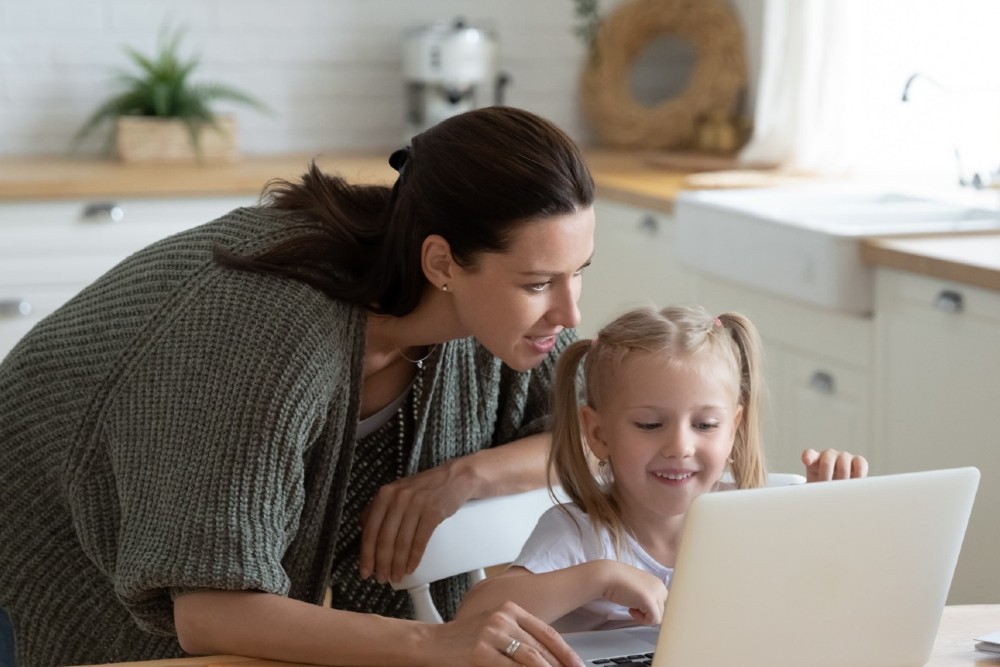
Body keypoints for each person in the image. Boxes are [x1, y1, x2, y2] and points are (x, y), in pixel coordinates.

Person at [0, 106, 595, 667]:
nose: (569, 312)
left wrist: (464, 477)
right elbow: (211, 611)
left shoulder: (501, 318)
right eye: (538, 284)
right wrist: (436, 643)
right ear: (441, 263)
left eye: (578, 274)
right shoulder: (267, 329)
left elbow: (601, 432)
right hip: (25, 553)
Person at [455, 305, 869, 632]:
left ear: (734, 430)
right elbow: (473, 618)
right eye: (650, 425)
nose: (680, 447)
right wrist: (598, 578)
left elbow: (827, 609)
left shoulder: (754, 519)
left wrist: (828, 516)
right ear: (598, 433)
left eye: (705, 425)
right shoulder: (579, 534)